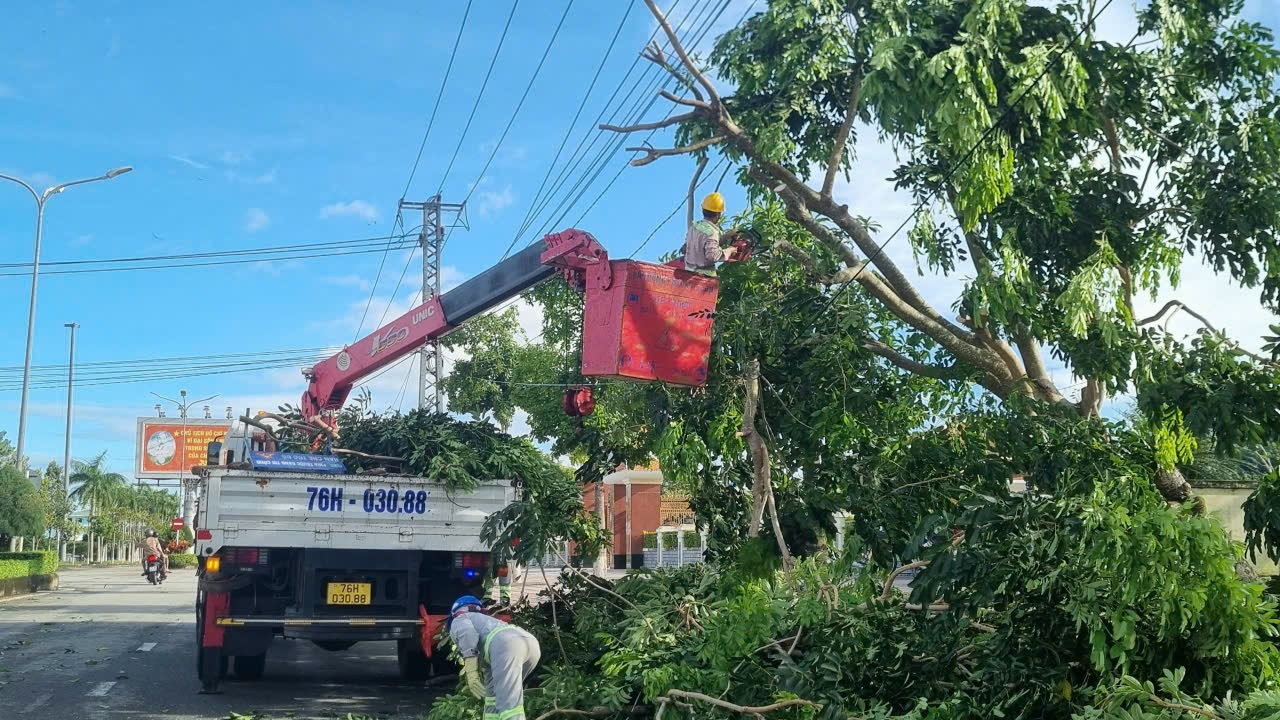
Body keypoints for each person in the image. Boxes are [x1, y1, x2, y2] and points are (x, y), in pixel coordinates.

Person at [448, 595, 541, 720]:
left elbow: (467, 634)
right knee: (495, 697)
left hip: (506, 647)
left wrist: (471, 670)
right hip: (530, 644)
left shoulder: (459, 619)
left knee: (509, 706)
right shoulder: (488, 623)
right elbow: (491, 695)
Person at [682, 192, 737, 276]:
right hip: (704, 278)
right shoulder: (712, 232)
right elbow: (712, 255)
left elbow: (703, 245)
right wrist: (730, 250)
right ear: (718, 215)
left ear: (703, 210)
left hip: (689, 272)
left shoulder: (694, 227)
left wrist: (726, 236)